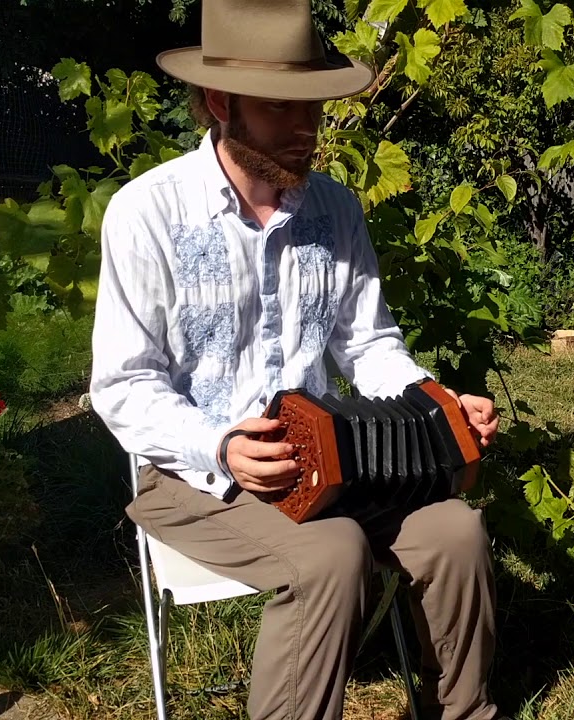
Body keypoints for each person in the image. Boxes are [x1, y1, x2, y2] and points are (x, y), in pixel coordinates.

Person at [87, 1, 502, 719]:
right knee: (331, 554)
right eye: (283, 108)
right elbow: (122, 387)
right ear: (221, 103)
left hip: (333, 465)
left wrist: (438, 404)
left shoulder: (335, 209)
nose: (307, 127)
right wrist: (220, 445)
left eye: (314, 107)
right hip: (193, 475)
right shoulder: (147, 212)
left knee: (457, 532)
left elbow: (369, 345)